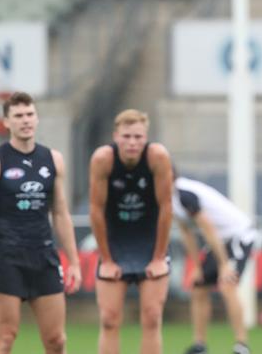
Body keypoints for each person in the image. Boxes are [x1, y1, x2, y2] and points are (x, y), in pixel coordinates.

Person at [0, 91, 82, 354]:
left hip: (44, 255)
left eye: (30, 114)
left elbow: (60, 213)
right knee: (5, 338)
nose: (25, 120)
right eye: (18, 116)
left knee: (57, 340)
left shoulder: (53, 159)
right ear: (7, 122)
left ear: (37, 118)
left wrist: (74, 261)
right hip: (8, 255)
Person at [89, 109, 173, 354]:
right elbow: (96, 210)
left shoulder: (157, 157)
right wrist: (106, 259)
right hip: (115, 244)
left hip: (150, 243)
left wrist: (158, 257)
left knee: (152, 317)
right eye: (126, 136)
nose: (132, 143)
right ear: (116, 136)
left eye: (138, 137)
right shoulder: (102, 159)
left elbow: (167, 207)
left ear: (146, 137)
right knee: (109, 319)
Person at [172, 174, 256, 354]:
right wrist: (196, 266)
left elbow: (208, 228)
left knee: (228, 284)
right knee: (199, 287)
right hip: (219, 240)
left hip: (237, 235)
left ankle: (242, 345)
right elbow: (186, 232)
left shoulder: (184, 194)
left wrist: (224, 264)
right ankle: (199, 345)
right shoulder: (166, 198)